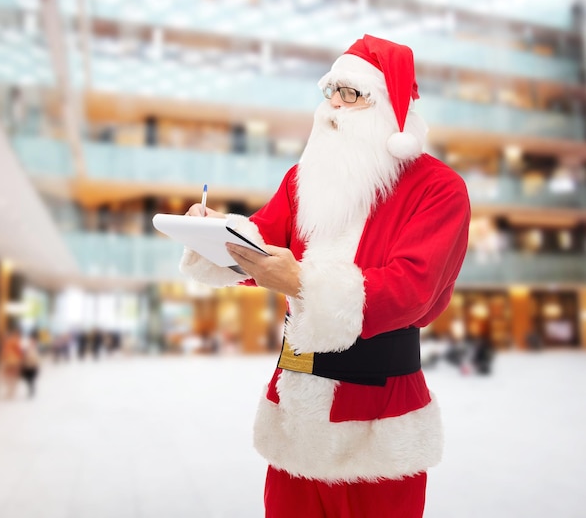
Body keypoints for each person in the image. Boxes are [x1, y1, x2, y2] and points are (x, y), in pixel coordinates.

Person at [180, 34, 470, 517]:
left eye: (349, 93)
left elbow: (412, 290)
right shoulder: (302, 179)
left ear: (385, 105)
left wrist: (299, 281)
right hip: (297, 417)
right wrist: (215, 235)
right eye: (329, 91)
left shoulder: (439, 189)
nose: (332, 106)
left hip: (379, 428)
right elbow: (263, 242)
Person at [0, 327, 24, 398]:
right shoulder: (15, 341)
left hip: (11, 360)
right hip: (12, 360)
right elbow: (19, 352)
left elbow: (5, 351)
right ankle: (11, 389)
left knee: (10, 376)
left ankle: (11, 389)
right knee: (12, 376)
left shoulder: (10, 341)